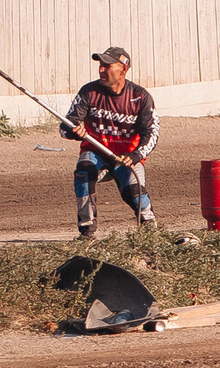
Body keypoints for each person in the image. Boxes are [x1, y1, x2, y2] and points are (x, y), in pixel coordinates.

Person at [62, 46, 157, 236]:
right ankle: (87, 231)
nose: (101, 69)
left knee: (134, 192)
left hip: (126, 156)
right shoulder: (89, 91)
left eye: (107, 65)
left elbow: (152, 133)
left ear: (124, 69)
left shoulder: (141, 97)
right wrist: (74, 131)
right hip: (96, 151)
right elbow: (64, 127)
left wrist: (136, 155)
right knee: (84, 172)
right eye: (100, 65)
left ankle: (150, 227)